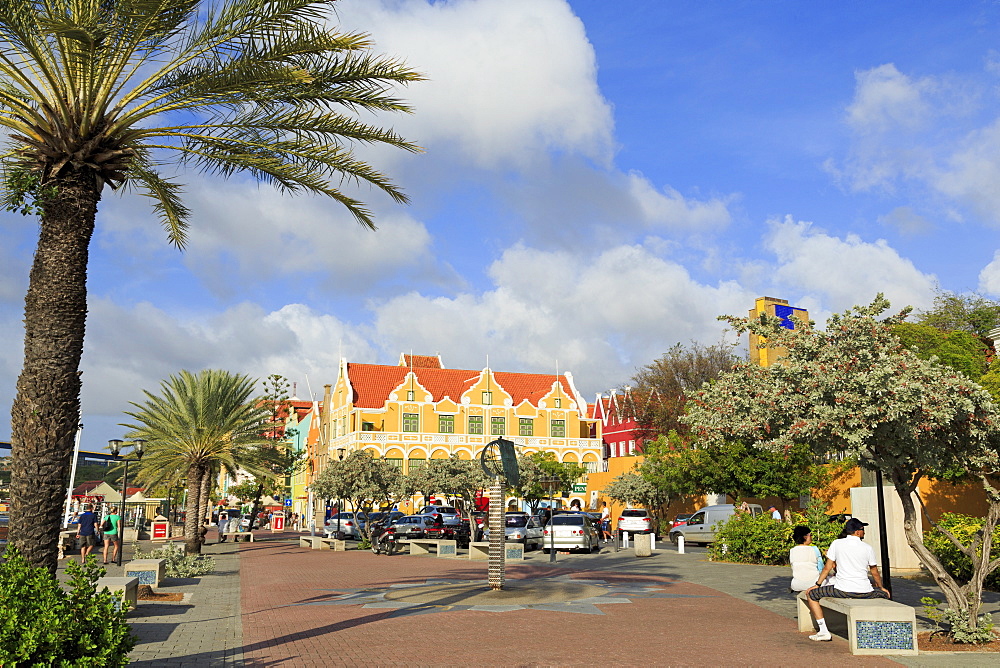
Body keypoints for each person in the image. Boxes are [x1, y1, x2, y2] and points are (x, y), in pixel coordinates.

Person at [804, 518, 890, 641]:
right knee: (884, 595)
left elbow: (827, 568)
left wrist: (817, 585)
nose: (864, 532)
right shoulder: (867, 548)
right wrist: (881, 587)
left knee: (812, 595)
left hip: (841, 590)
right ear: (857, 532)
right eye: (863, 529)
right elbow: (874, 572)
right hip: (866, 592)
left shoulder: (836, 543)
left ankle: (823, 631)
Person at [789, 525, 825, 592]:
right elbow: (821, 568)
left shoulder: (792, 551)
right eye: (810, 535)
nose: (811, 537)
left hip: (796, 584)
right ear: (805, 537)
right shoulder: (814, 549)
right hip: (814, 583)